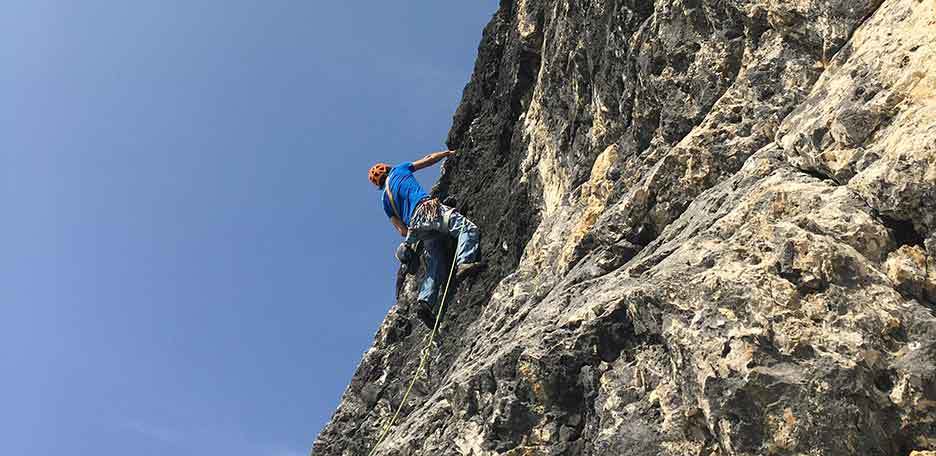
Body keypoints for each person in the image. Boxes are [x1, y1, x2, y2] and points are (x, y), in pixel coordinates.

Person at [369, 150, 482, 328]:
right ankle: (465, 262)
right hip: (427, 209)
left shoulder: (385, 201)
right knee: (466, 228)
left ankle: (425, 302)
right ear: (388, 169)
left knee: (435, 263)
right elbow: (428, 160)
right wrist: (448, 153)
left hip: (415, 229)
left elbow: (400, 230)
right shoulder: (400, 169)